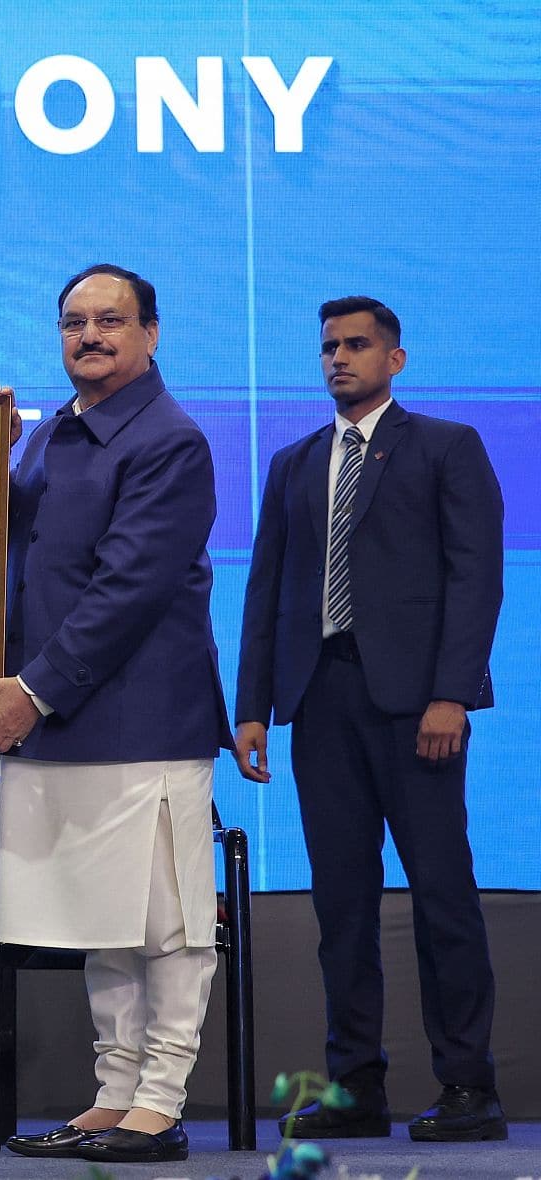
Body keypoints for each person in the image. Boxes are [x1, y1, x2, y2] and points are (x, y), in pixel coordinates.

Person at [0, 264, 230, 1166]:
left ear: (151, 333)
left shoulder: (169, 441)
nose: (89, 336)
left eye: (110, 320)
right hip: (62, 723)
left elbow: (127, 590)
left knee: (167, 924)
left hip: (142, 722)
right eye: (73, 321)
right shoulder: (49, 436)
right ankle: (114, 1097)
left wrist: (29, 692)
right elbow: (8, 558)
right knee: (102, 925)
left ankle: (161, 1103)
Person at [234, 296, 504, 1142]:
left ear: (396, 359)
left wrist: (452, 693)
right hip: (321, 702)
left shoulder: (446, 448)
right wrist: (250, 708)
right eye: (327, 348)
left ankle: (468, 1087)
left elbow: (476, 576)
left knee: (441, 897)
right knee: (340, 907)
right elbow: (266, 593)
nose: (338, 359)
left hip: (418, 705)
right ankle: (356, 1088)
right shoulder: (293, 462)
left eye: (356, 346)